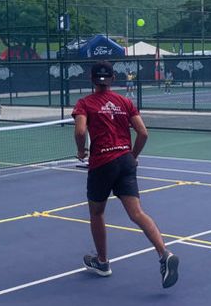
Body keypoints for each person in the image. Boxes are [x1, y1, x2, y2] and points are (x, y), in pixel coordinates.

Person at [72, 61, 179, 288]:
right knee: (137, 213)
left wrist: (81, 151)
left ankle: (102, 262)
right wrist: (132, 156)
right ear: (113, 79)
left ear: (91, 79)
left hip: (102, 164)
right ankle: (164, 254)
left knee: (97, 212)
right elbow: (143, 133)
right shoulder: (125, 102)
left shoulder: (84, 103)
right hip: (125, 162)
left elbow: (80, 131)